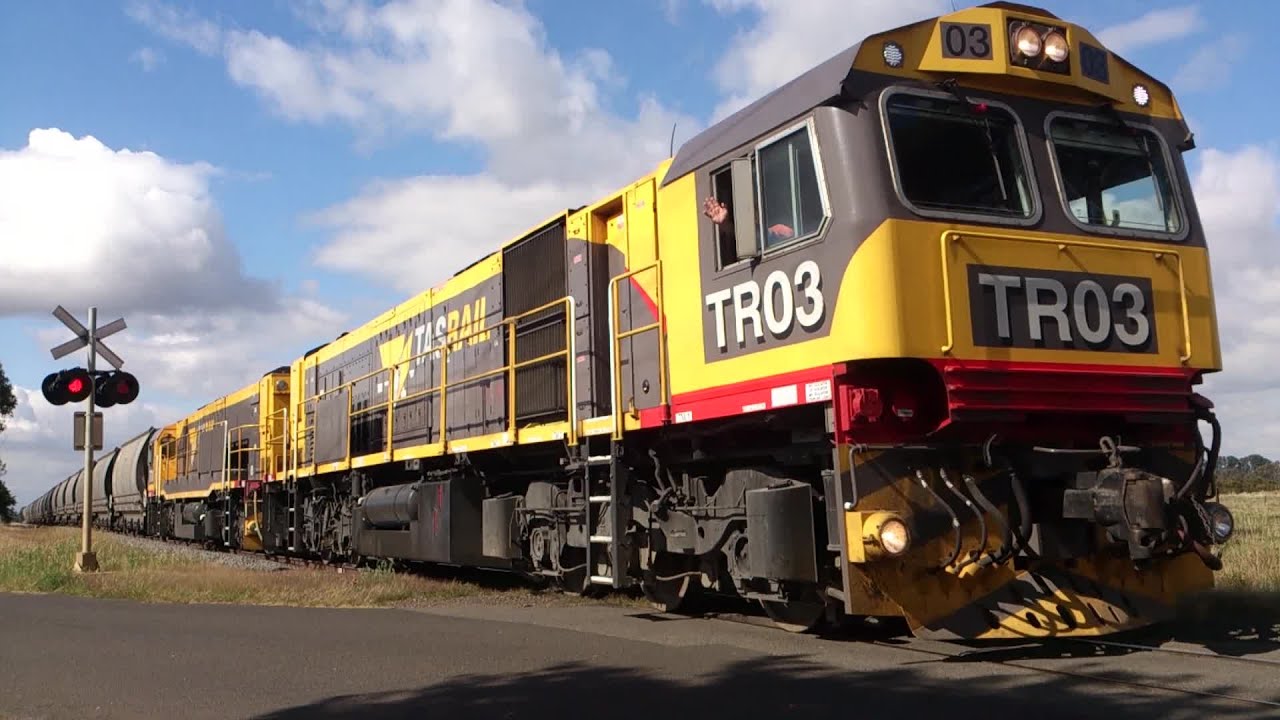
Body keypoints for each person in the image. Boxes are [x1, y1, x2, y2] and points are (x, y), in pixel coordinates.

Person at [703, 195, 795, 241]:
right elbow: (738, 235)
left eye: (753, 209)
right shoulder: (739, 237)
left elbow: (763, 235)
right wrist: (725, 224)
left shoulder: (779, 230)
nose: (749, 215)